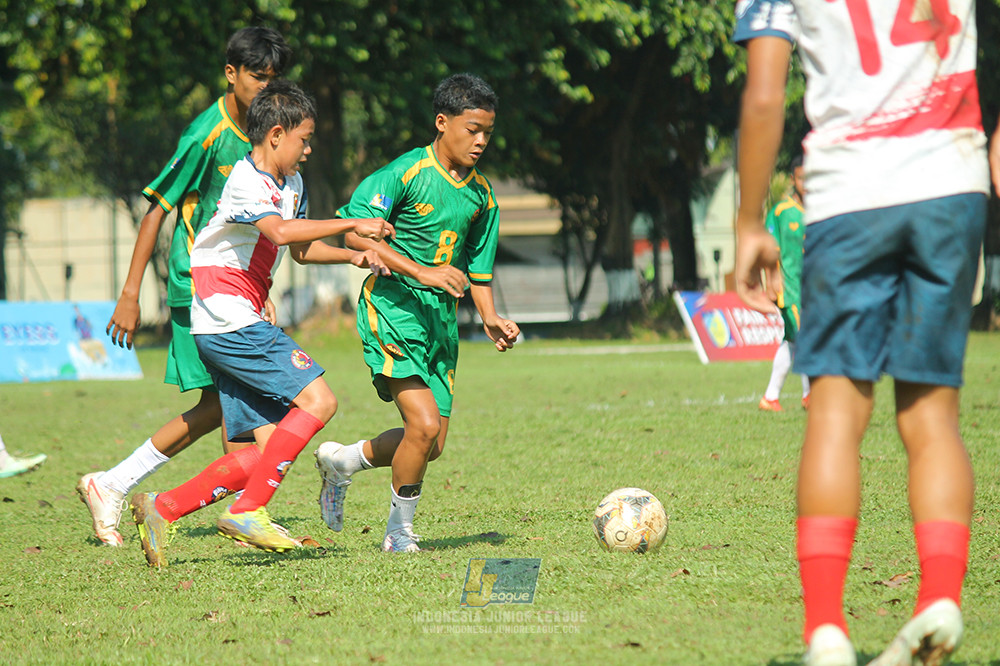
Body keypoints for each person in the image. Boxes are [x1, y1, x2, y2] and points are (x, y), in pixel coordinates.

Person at [733, 2, 993, 665]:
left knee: (836, 413)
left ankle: (826, 631)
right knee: (933, 416)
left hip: (850, 193)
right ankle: (939, 596)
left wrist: (749, 221)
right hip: (951, 185)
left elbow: (765, 96)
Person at [128, 80, 394, 568]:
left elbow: (301, 248)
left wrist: (353, 257)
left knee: (263, 451)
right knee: (320, 399)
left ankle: (162, 508)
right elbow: (280, 231)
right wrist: (350, 225)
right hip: (228, 318)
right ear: (276, 134)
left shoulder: (291, 184)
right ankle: (249, 510)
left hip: (231, 319)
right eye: (304, 139)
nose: (309, 149)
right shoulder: (246, 180)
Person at [77, 27, 292, 547]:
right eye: (256, 77)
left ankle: (119, 485)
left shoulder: (271, 133)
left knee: (224, 406)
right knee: (235, 404)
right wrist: (129, 295)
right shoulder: (206, 135)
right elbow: (156, 209)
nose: (264, 88)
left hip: (235, 291)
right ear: (231, 74)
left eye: (272, 79)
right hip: (196, 286)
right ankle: (231, 511)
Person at [313, 73, 519, 553]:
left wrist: (490, 317)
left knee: (431, 442)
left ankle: (345, 460)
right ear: (442, 122)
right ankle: (398, 534)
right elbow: (355, 234)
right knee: (423, 426)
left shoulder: (483, 196)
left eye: (488, 130)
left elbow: (480, 273)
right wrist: (422, 273)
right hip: (393, 309)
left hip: (439, 322)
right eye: (472, 129)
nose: (481, 140)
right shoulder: (405, 174)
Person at [758, 156, 810, 412]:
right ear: (793, 179)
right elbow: (768, 249)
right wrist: (771, 281)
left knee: (792, 341)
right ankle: (810, 396)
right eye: (802, 178)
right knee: (806, 337)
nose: (807, 184)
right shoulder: (780, 212)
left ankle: (770, 397)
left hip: (812, 290)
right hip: (789, 290)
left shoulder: (819, 211)